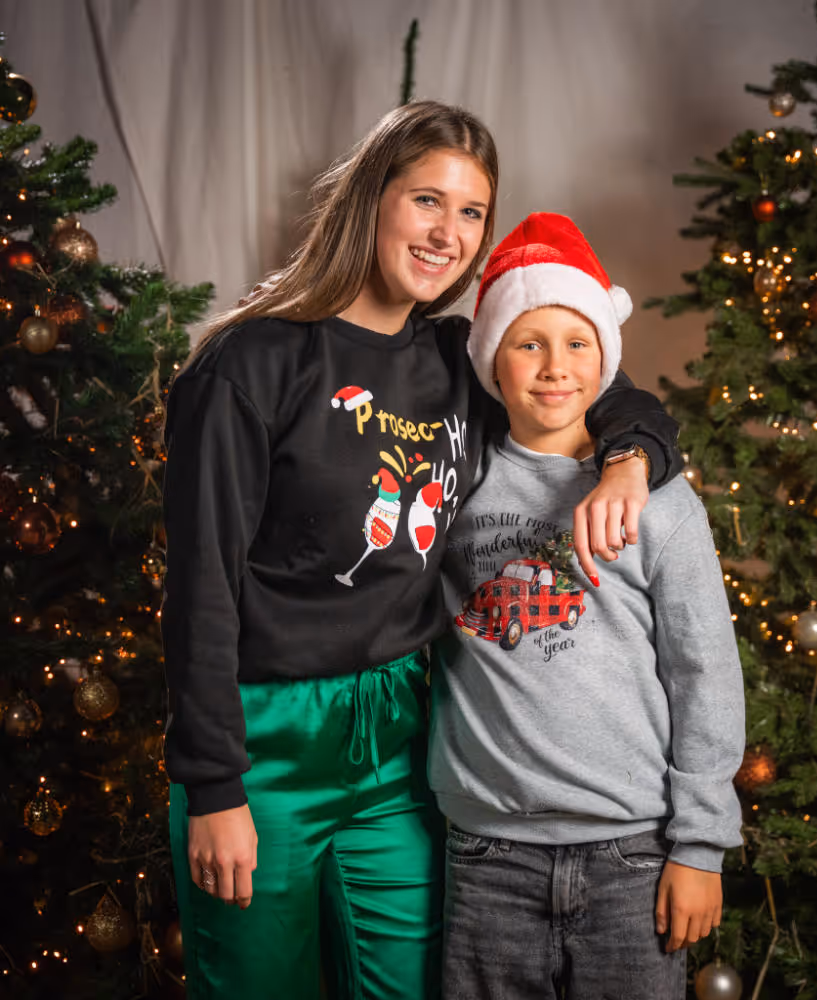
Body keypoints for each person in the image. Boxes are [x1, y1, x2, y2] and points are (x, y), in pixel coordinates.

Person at [161, 102, 682, 1000]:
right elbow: (202, 588)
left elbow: (608, 385)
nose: (449, 234)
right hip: (264, 738)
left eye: (472, 213)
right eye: (427, 201)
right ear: (372, 200)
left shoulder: (456, 360)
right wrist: (213, 788)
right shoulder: (252, 365)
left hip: (405, 736)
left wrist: (631, 463)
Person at [429, 212, 746, 1000]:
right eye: (527, 342)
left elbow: (705, 672)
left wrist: (700, 848)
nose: (553, 367)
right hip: (487, 855)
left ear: (607, 357)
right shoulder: (450, 485)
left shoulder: (658, 499)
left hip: (632, 856)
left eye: (576, 342)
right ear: (491, 360)